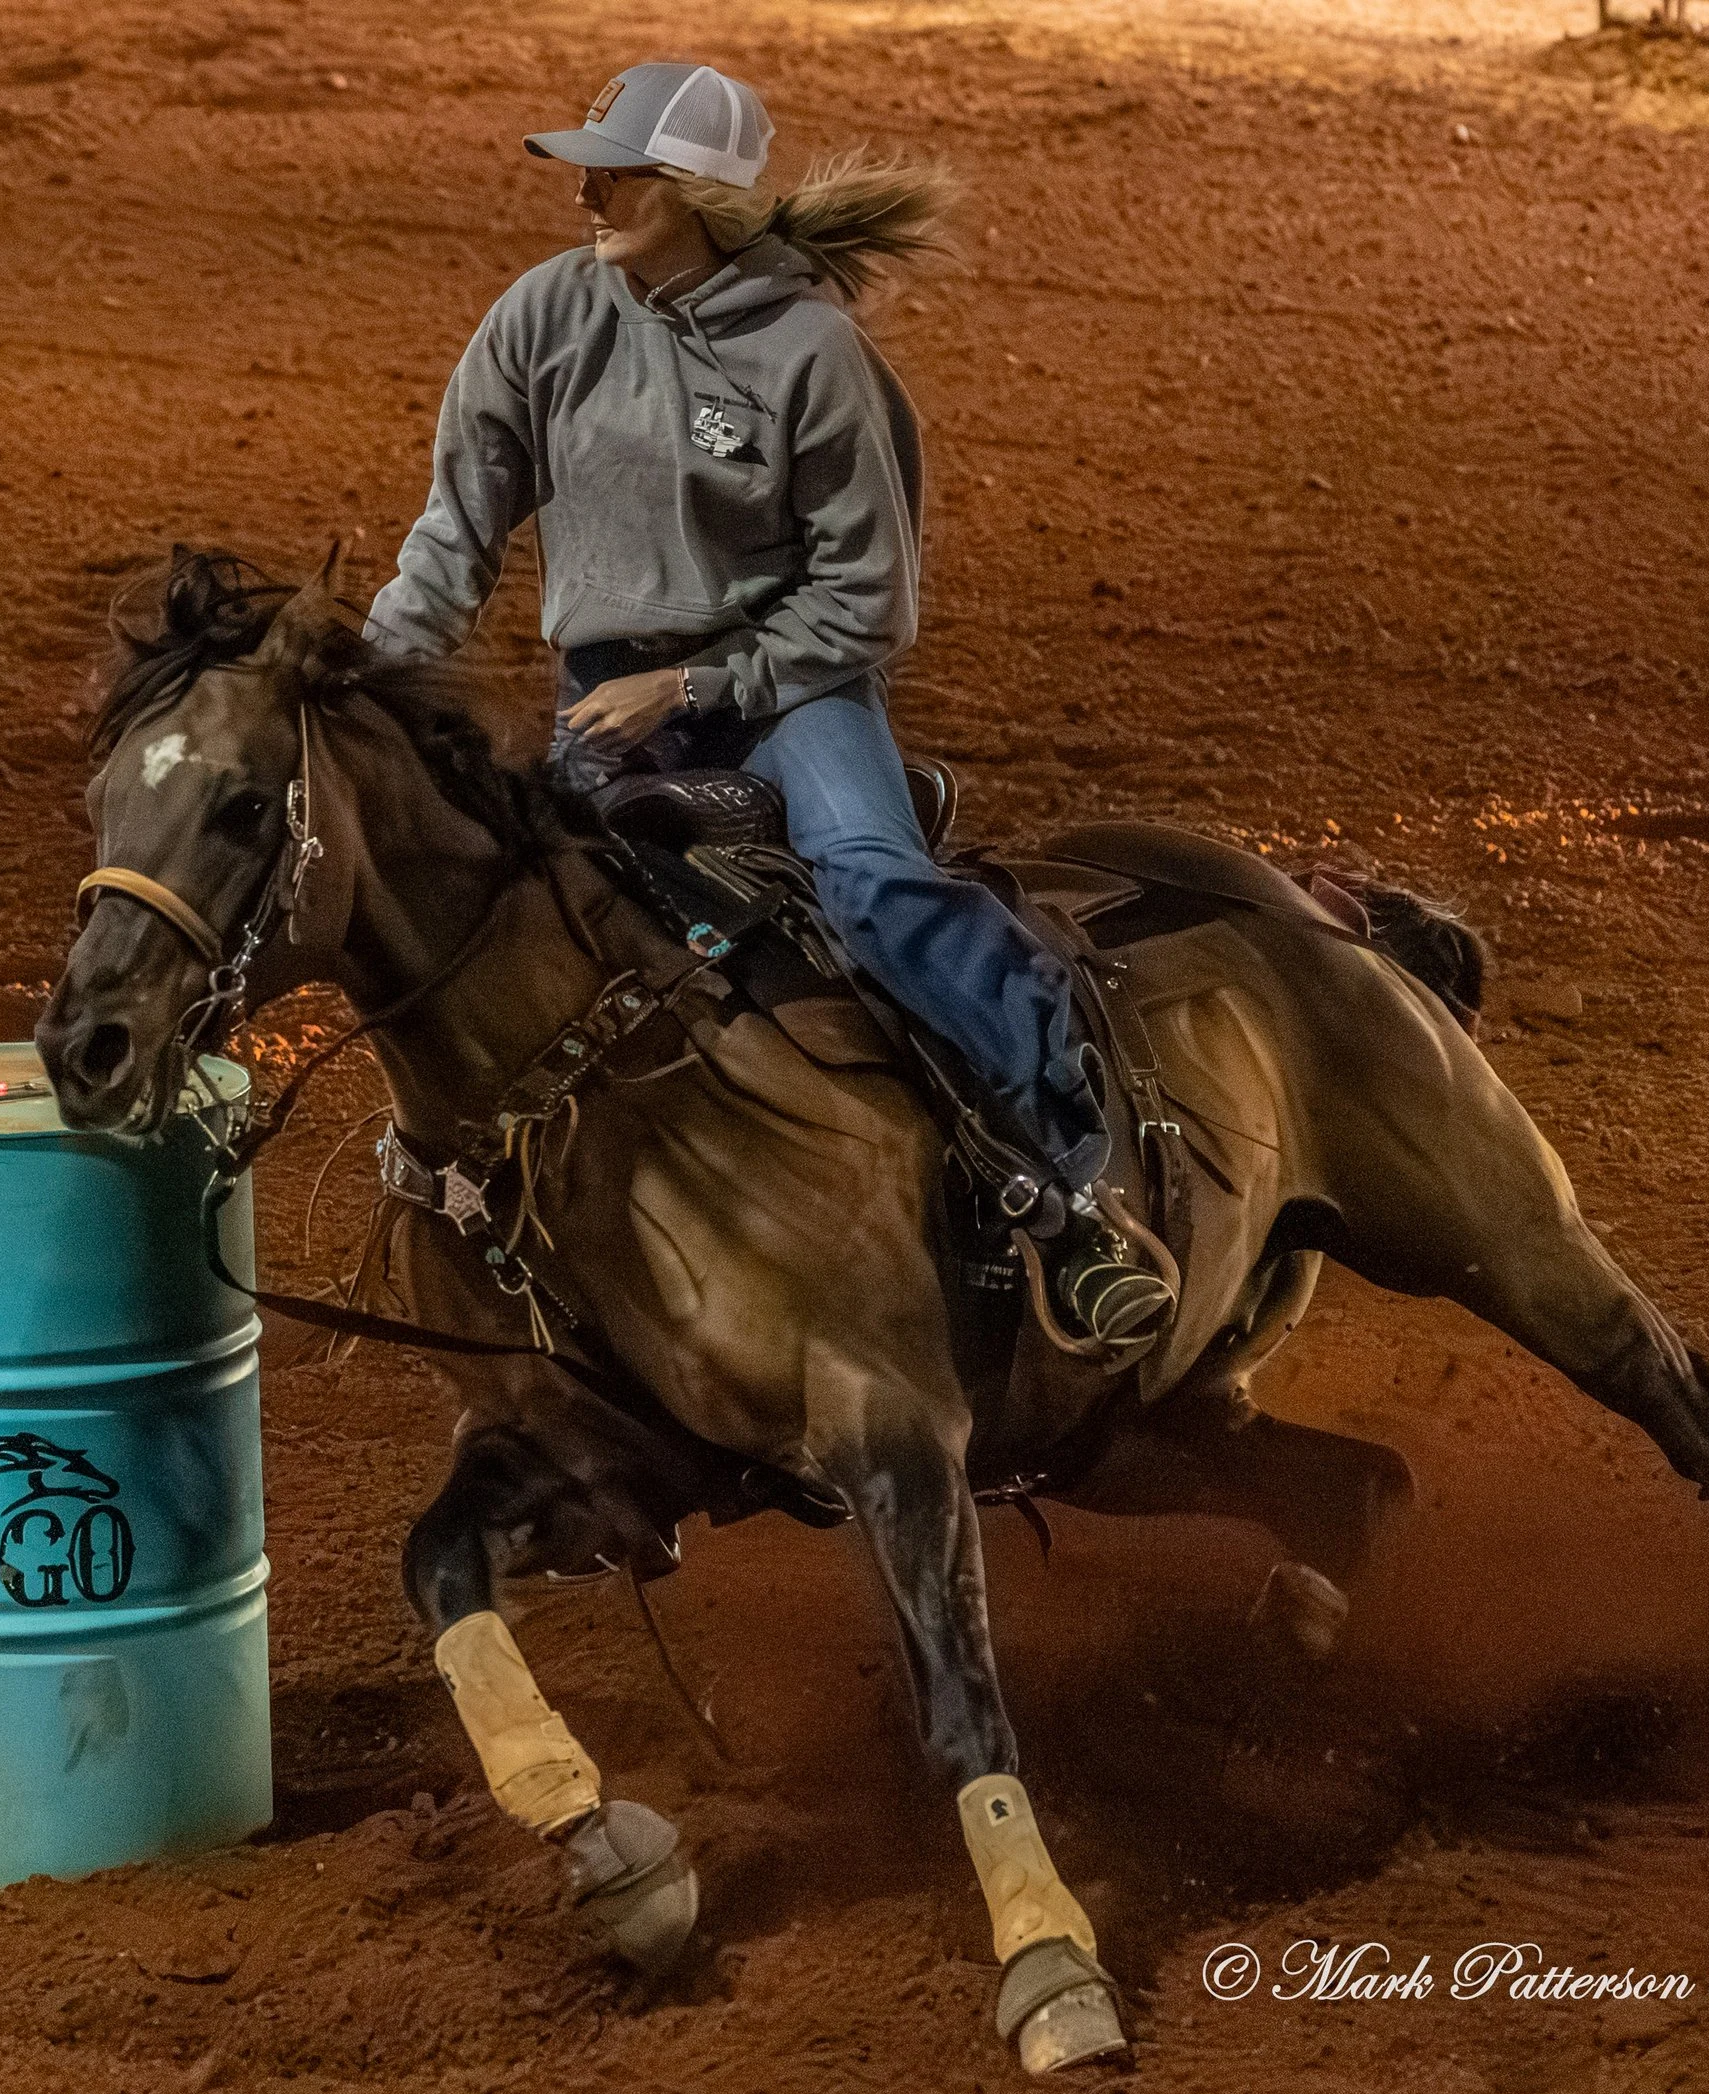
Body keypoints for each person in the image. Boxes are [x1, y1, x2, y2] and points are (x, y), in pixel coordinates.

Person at [365, 60, 1169, 1347]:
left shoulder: (815, 357)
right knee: (524, 927)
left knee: (865, 882)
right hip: (603, 695)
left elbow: (868, 600)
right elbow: (451, 539)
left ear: (692, 195)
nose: (583, 190)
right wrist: (370, 690)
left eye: (614, 171)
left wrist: (692, 683)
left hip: (796, 695)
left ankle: (1068, 1175)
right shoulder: (540, 319)